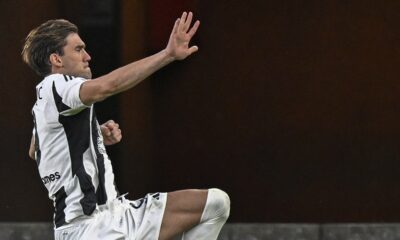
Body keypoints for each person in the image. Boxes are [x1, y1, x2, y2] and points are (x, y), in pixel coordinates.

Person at [22, 12, 230, 240]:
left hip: (116, 215)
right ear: (56, 60)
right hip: (89, 229)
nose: (88, 56)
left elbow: (36, 149)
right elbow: (106, 86)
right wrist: (167, 54)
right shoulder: (57, 85)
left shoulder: (44, 102)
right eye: (78, 49)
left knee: (215, 203)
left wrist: (92, 134)